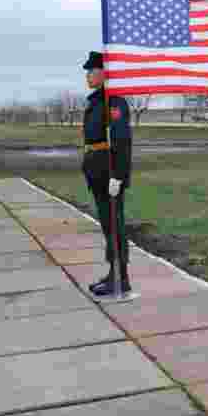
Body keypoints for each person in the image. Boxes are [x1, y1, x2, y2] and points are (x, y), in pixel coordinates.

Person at [81, 51, 134, 296]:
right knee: (107, 225)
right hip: (98, 171)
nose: (88, 76)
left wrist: (119, 176)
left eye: (92, 71)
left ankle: (121, 279)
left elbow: (121, 141)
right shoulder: (97, 101)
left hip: (110, 173)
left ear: (105, 73)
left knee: (115, 225)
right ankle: (114, 274)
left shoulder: (114, 102)